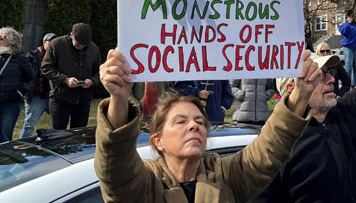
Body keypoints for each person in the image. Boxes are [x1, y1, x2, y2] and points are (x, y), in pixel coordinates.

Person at [251, 0, 356, 203]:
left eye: (330, 72)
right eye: (320, 75)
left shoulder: (349, 112)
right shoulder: (276, 147)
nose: (332, 79)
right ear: (291, 89)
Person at [94, 48, 318, 202]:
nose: (194, 126)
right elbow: (115, 164)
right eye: (181, 121)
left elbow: (269, 150)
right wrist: (119, 98)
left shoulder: (226, 176)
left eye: (200, 121)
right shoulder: (145, 183)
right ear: (158, 140)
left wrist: (301, 93)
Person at [41, 23, 101, 130]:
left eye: (84, 45)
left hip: (83, 99)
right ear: (72, 35)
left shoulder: (93, 48)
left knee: (79, 134)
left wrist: (92, 81)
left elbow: (98, 73)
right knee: (57, 135)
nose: (81, 47)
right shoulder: (57, 44)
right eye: (78, 44)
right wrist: (65, 79)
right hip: (60, 97)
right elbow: (46, 68)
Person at [0, 27, 32, 146]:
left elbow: (30, 78)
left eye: (2, 37)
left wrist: (20, 92)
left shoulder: (20, 59)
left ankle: (5, 163)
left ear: (12, 40)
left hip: (10, 104)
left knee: (5, 136)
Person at [19, 33, 57, 138]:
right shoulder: (32, 56)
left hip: (52, 97)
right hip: (36, 97)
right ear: (44, 42)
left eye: (55, 42)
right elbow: (24, 75)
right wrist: (26, 91)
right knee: (29, 126)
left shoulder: (59, 56)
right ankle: (22, 148)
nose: (53, 44)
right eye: (51, 42)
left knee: (58, 126)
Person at [339, 9, 356, 86]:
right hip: (348, 47)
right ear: (347, 17)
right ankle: (347, 84)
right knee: (349, 67)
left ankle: (353, 84)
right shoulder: (345, 25)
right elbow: (343, 32)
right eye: (349, 16)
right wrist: (348, 23)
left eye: (352, 16)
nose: (351, 18)